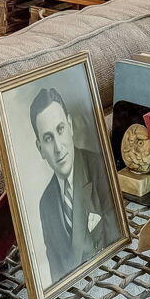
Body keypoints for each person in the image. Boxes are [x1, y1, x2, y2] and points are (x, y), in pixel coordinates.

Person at [29, 83, 116, 280]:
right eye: (48, 138)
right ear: (40, 148)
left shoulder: (99, 168)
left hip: (106, 277)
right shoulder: (45, 204)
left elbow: (116, 245)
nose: (58, 148)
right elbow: (56, 274)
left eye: (60, 129)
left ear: (69, 125)